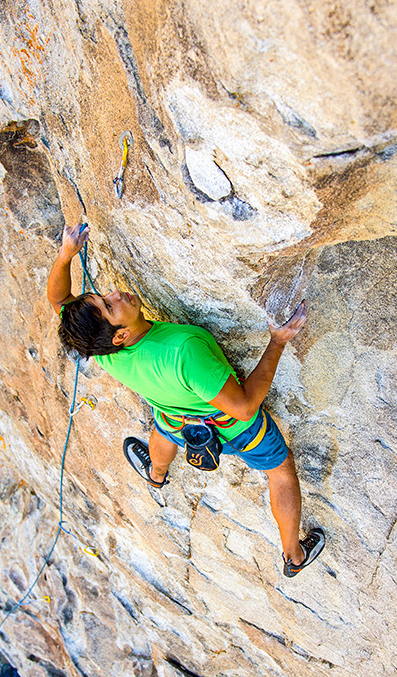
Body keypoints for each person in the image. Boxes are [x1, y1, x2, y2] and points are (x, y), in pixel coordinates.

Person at [47, 223, 325, 577]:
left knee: (164, 429)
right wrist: (277, 343)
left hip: (177, 421)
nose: (116, 293)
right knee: (281, 470)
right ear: (120, 335)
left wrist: (66, 253)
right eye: (110, 305)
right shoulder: (182, 351)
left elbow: (58, 300)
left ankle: (156, 473)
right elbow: (243, 407)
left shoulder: (99, 348)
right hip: (235, 427)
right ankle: (293, 555)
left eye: (104, 295)